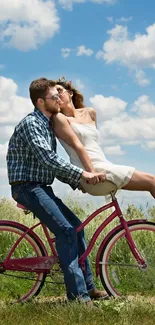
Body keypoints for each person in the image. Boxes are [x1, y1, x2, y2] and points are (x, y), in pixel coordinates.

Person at [6, 77, 108, 305]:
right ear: (41, 101)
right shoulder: (32, 123)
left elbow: (51, 164)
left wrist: (78, 182)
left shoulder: (46, 124)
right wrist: (82, 174)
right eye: (54, 96)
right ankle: (78, 298)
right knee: (66, 232)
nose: (58, 100)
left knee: (78, 229)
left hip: (40, 187)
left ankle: (88, 287)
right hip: (27, 187)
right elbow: (48, 159)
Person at [51, 76, 155, 198]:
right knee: (152, 181)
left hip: (103, 164)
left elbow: (93, 144)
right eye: (54, 95)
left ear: (70, 93)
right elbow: (78, 146)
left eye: (59, 91)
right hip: (90, 170)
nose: (57, 96)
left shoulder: (90, 112)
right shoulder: (59, 118)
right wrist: (91, 172)